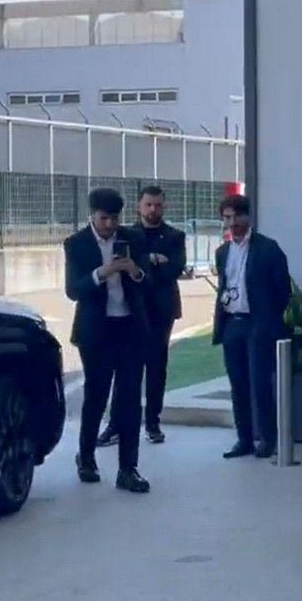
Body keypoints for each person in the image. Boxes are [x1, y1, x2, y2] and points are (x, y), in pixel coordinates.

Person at [65, 187, 152, 493]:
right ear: (92, 215)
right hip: (96, 332)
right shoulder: (77, 244)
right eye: (104, 218)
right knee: (96, 395)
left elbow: (149, 281)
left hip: (130, 328)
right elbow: (73, 290)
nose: (110, 224)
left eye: (115, 218)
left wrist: (134, 271)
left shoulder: (133, 239)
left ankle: (128, 469)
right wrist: (103, 272)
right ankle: (86, 457)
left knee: (129, 399)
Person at [97, 186, 185, 446]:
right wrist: (151, 259)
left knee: (156, 367)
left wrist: (142, 265)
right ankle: (115, 425)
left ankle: (153, 423)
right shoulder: (126, 235)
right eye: (148, 205)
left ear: (164, 206)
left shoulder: (175, 236)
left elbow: (174, 269)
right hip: (131, 310)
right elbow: (124, 267)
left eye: (157, 205)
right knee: (123, 369)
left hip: (161, 312)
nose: (153, 209)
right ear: (139, 206)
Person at [212, 194, 292, 460]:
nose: (232, 222)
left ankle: (267, 438)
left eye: (237, 216)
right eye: (227, 217)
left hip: (258, 323)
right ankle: (244, 439)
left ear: (248, 216)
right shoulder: (222, 252)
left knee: (260, 383)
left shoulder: (268, 248)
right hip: (232, 323)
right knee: (238, 384)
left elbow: (283, 290)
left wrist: (268, 317)